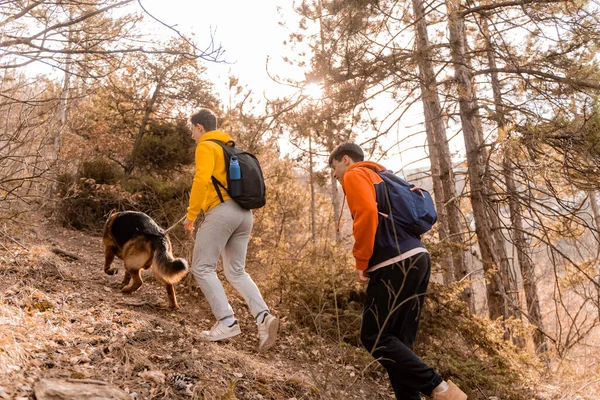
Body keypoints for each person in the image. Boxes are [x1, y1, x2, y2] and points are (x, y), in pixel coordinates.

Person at [329, 142, 467, 400]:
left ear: (345, 160)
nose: (335, 175)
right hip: (418, 259)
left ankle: (440, 388)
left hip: (394, 262)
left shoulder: (356, 174)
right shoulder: (385, 177)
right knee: (399, 347)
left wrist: (361, 261)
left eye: (334, 167)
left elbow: (367, 214)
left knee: (374, 336)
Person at [183, 108, 278, 351]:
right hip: (244, 215)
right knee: (236, 271)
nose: (192, 135)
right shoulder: (230, 148)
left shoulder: (206, 146)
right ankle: (264, 317)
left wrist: (191, 215)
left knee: (202, 267)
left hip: (222, 212)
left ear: (199, 127)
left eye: (192, 129)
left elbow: (201, 179)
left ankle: (226, 321)